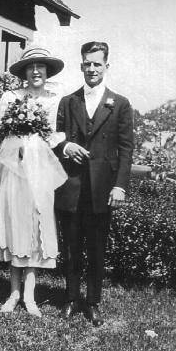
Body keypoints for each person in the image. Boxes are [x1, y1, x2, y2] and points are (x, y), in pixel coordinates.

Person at [54, 41, 134, 326]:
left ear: (106, 66)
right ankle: (72, 298)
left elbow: (126, 149)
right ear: (81, 66)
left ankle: (93, 302)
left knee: (97, 247)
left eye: (97, 64)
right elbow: (55, 138)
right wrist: (66, 147)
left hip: (102, 188)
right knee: (72, 246)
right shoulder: (68, 101)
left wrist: (120, 185)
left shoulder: (120, 104)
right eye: (87, 63)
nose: (92, 69)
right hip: (72, 185)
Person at [0, 46, 67, 318]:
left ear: (47, 71)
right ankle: (13, 292)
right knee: (16, 222)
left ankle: (30, 295)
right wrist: (18, 143)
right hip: (15, 168)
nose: (36, 71)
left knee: (37, 224)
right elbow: (1, 133)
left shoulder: (55, 99)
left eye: (41, 66)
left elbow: (57, 135)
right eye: (31, 67)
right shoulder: (11, 97)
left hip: (40, 168)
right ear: (24, 72)